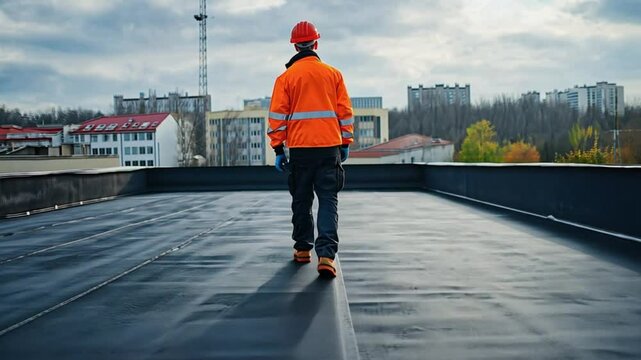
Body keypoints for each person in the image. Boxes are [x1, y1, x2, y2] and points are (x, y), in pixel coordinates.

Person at [267, 20, 354, 278]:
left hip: (301, 150)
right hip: (329, 149)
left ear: (295, 46)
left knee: (301, 200)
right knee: (328, 199)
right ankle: (326, 256)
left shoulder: (285, 78)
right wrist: (345, 142)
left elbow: (276, 117)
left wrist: (278, 149)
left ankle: (303, 250)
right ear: (316, 43)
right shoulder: (333, 74)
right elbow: (345, 113)